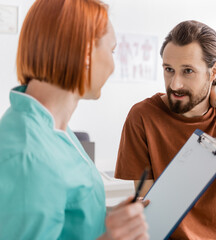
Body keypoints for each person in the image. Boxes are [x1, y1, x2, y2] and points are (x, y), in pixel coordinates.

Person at [0, 0, 148, 239]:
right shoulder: (27, 157)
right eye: (111, 51)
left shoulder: (54, 128)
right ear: (86, 52)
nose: (112, 65)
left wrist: (106, 221)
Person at [115, 20, 216, 239]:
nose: (175, 84)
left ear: (214, 71)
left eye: (188, 71)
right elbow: (150, 205)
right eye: (169, 70)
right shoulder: (142, 116)